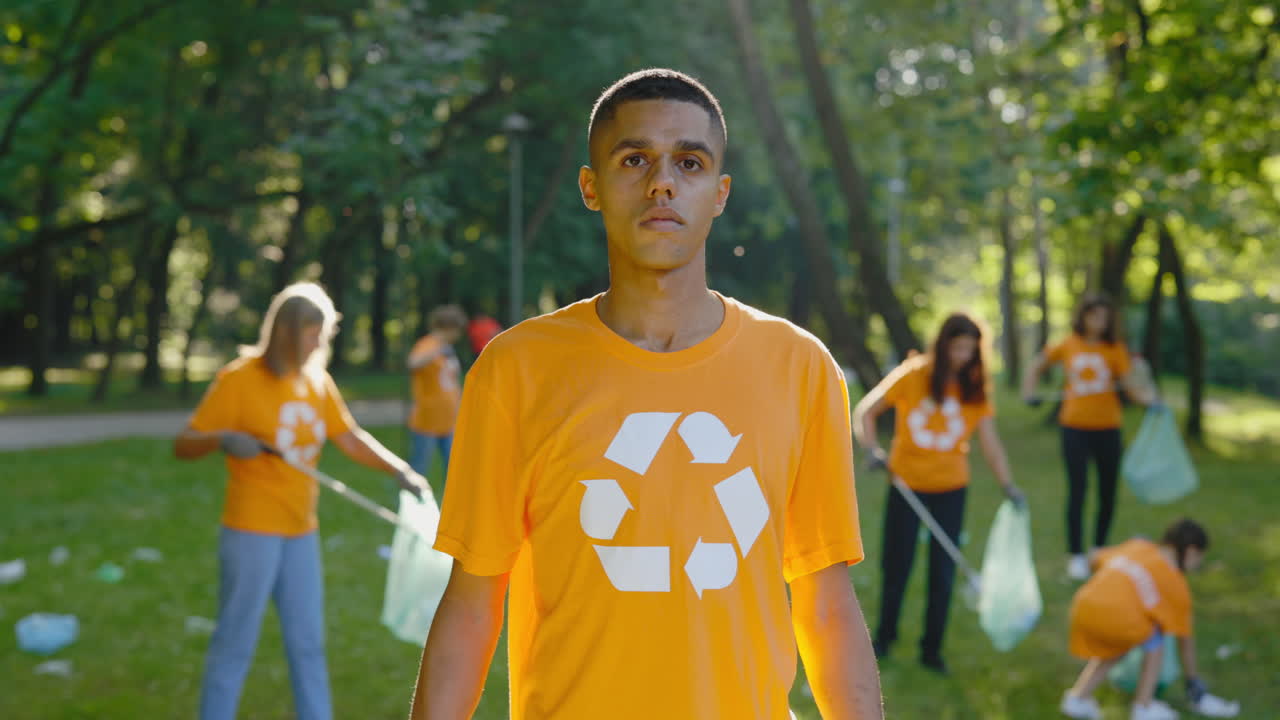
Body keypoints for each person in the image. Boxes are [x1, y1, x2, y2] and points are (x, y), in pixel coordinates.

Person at [410, 69, 882, 719]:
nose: (662, 182)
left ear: (719, 194)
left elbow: (826, 605)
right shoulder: (515, 369)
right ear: (591, 187)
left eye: (689, 162)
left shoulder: (800, 368)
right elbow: (471, 603)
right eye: (635, 159)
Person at [175, 282, 428, 720]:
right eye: (314, 334)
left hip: (300, 532)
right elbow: (185, 443)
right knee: (235, 641)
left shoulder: (316, 380)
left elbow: (349, 438)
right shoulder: (239, 379)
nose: (320, 343)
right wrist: (224, 439)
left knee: (308, 643)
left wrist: (400, 470)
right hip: (251, 530)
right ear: (288, 333)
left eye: (324, 334)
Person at [852, 312, 1024, 674]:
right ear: (943, 344)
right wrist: (872, 449)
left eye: (970, 349)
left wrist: (1007, 484)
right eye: (957, 347)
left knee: (942, 573)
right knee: (896, 566)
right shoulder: (914, 374)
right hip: (906, 485)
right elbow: (866, 411)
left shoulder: (975, 386)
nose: (962, 356)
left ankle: (931, 650)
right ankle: (883, 639)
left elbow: (990, 444)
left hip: (951, 489)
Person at [1021, 292, 1158, 580]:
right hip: (1074, 429)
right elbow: (1036, 365)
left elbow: (1132, 388)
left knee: (1107, 493)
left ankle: (1099, 550)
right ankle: (1076, 555)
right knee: (1078, 491)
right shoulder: (1068, 345)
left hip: (1108, 429)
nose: (1098, 321)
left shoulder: (1115, 349)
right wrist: (1029, 392)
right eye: (1093, 315)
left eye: (1103, 317)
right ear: (1082, 316)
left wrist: (1150, 400)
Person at [1059, 518, 1240, 720]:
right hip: (1117, 619)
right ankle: (1143, 707)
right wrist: (1192, 680)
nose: (1197, 565)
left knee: (1118, 644)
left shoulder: (1138, 546)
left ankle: (1078, 698)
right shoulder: (1176, 584)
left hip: (1083, 605)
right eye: (1199, 559)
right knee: (1155, 636)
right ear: (1190, 552)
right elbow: (1185, 641)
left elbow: (1094, 557)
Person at [407, 304, 467, 478]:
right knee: (419, 469)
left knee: (454, 469)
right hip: (427, 421)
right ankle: (413, 504)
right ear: (448, 328)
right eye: (457, 330)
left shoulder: (448, 348)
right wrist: (435, 352)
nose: (458, 335)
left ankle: (452, 505)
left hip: (449, 421)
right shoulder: (428, 344)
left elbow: (451, 381)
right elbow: (413, 363)